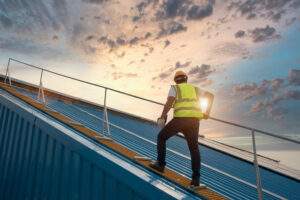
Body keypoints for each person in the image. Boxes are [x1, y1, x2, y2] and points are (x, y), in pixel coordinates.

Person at [150, 70, 212, 187]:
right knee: (194, 148)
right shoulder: (194, 89)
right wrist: (207, 113)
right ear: (186, 79)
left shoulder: (175, 88)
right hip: (194, 121)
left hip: (180, 119)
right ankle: (196, 180)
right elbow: (210, 96)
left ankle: (160, 165)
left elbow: (169, 102)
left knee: (161, 137)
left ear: (176, 80)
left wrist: (163, 115)